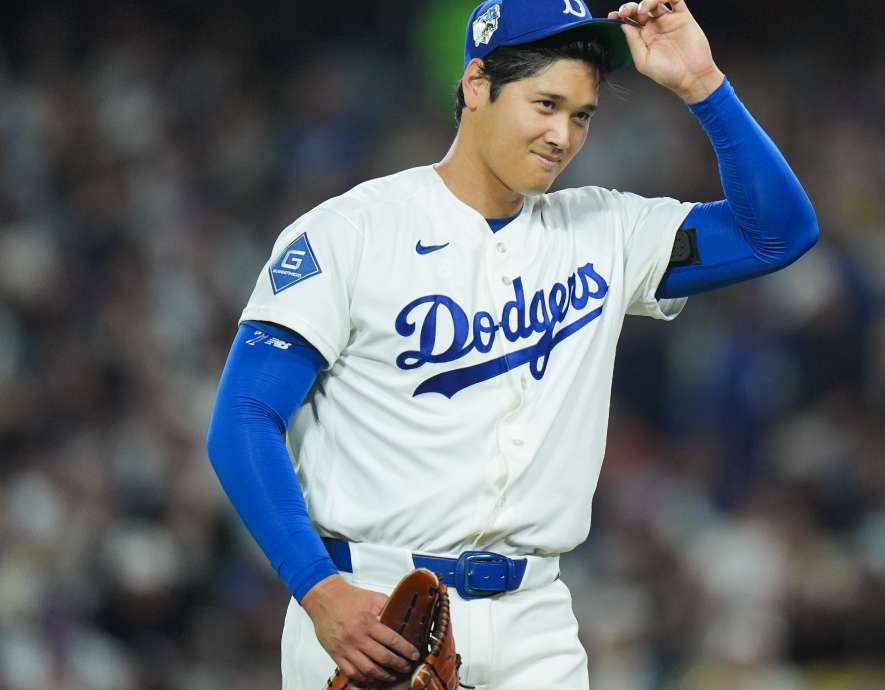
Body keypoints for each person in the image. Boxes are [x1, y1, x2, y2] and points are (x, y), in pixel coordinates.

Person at [206, 0, 818, 687]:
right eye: (545, 103)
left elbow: (778, 232)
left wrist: (704, 86)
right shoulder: (349, 234)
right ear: (475, 86)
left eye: (581, 114)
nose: (562, 134)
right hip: (373, 605)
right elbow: (243, 421)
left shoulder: (606, 231)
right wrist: (318, 591)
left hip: (537, 620)